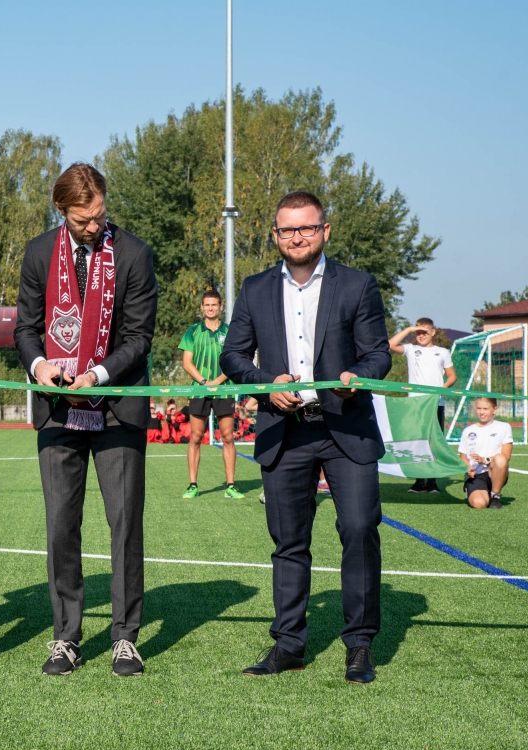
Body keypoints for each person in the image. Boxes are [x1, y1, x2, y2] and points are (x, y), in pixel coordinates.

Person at [221, 190, 391, 684]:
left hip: (346, 427)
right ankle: (289, 643)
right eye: (287, 229)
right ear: (274, 235)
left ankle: (359, 644)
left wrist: (355, 375)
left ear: (325, 231)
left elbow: (378, 354)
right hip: (284, 430)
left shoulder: (358, 285)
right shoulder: (253, 289)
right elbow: (234, 356)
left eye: (307, 227)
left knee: (359, 530)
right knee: (288, 542)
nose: (297, 237)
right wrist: (265, 381)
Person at [14, 163, 157, 677]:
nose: (94, 226)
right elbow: (26, 328)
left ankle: (125, 636)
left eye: (99, 216)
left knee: (124, 526)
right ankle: (66, 637)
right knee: (60, 527)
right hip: (56, 410)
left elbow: (140, 338)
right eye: (83, 220)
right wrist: (39, 365)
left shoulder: (134, 254)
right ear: (61, 211)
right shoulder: (36, 254)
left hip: (115, 407)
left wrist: (96, 375)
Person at [179, 290, 243, 499]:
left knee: (227, 437)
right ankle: (193, 485)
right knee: (196, 437)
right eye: (207, 305)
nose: (210, 308)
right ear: (202, 307)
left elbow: (235, 360)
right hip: (199, 390)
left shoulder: (230, 331)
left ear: (221, 306)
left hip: (224, 391)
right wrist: (205, 382)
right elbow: (187, 363)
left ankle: (231, 486)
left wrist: (218, 381)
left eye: (214, 305)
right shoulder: (193, 331)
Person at [389, 318, 456, 493]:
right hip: (415, 404)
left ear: (433, 332)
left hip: (434, 403)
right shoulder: (412, 350)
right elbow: (390, 345)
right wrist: (410, 329)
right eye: (418, 333)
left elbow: (451, 377)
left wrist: (442, 389)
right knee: (417, 442)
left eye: (424, 332)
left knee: (434, 441)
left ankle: (432, 481)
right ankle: (419, 481)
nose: (421, 336)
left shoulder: (442, 352)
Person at [458, 397, 512, 509]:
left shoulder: (504, 427)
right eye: (479, 408)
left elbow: (506, 456)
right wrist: (468, 467)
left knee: (500, 459)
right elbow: (463, 456)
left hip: (494, 472)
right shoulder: (468, 431)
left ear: (495, 409)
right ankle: (481, 492)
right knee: (479, 504)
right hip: (476, 476)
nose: (481, 412)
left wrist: (484, 460)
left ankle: (495, 496)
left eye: (485, 409)